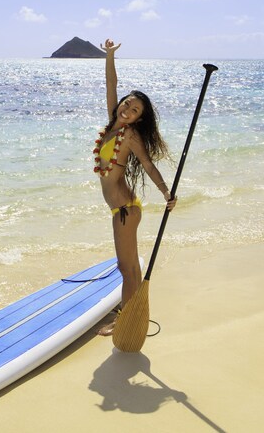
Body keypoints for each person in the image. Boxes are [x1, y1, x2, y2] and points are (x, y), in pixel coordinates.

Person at [95, 39, 177, 336]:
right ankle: (133, 312)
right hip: (122, 209)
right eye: (127, 103)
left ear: (140, 117)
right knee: (127, 268)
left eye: (135, 108)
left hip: (125, 210)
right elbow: (110, 85)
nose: (128, 108)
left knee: (127, 269)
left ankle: (125, 320)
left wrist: (167, 193)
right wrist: (109, 56)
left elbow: (148, 164)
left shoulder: (129, 136)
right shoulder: (112, 126)